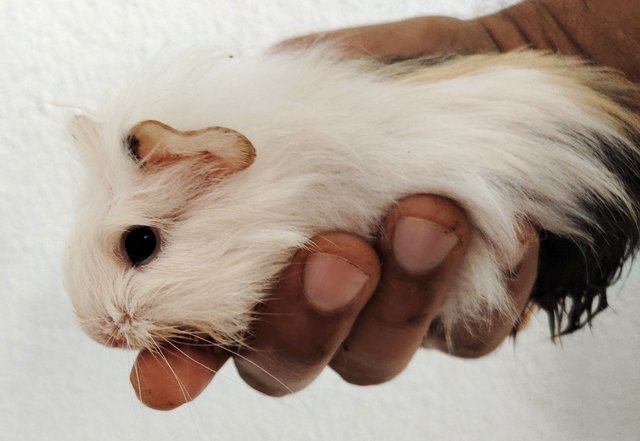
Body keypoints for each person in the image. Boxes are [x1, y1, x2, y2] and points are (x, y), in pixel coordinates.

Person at [130, 0, 640, 410]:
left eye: (142, 245)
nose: (114, 323)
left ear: (212, 159)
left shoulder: (282, 162)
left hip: (572, 175)